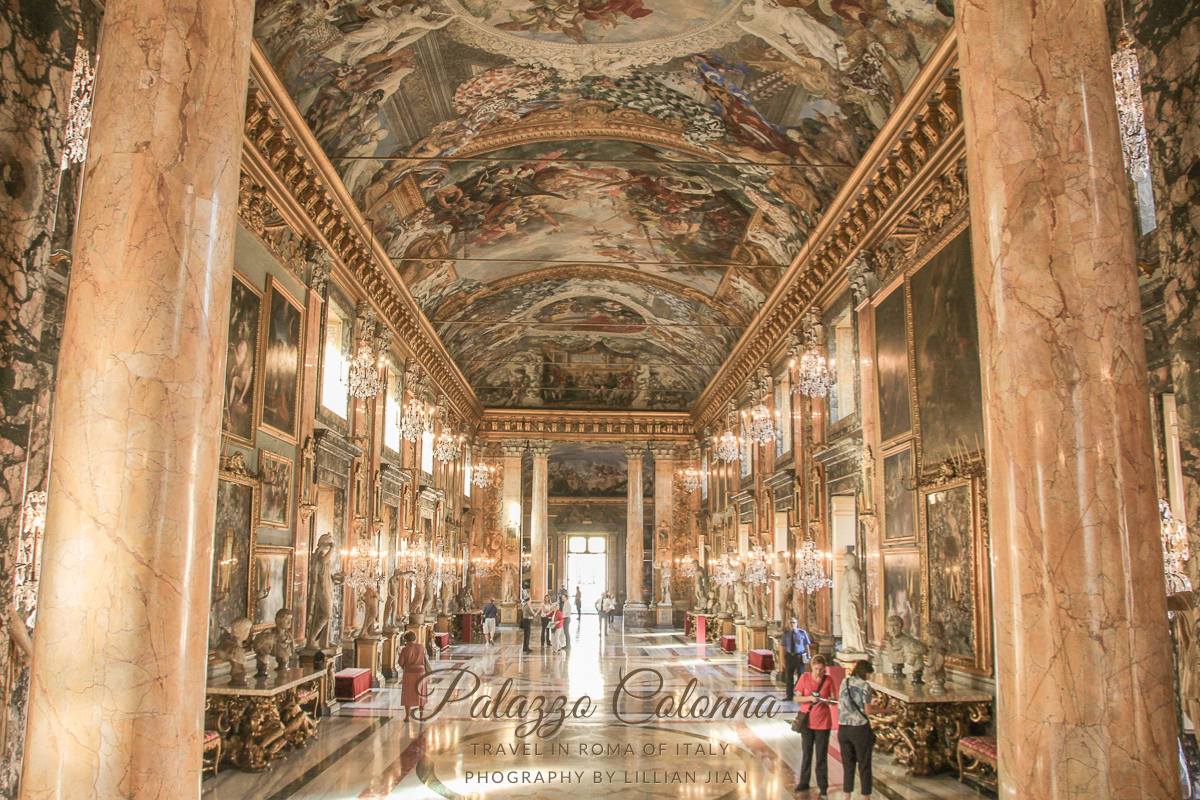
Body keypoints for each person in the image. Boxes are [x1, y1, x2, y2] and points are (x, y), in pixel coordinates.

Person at [794, 653, 837, 797]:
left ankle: (823, 785)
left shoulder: (828, 680)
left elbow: (833, 699)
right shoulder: (804, 677)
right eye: (816, 669)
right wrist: (810, 698)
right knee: (807, 753)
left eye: (821, 669)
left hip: (823, 722)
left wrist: (828, 700)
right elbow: (797, 698)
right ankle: (804, 782)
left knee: (821, 756)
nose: (818, 672)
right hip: (807, 721)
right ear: (812, 667)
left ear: (825, 668)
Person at [838, 659, 880, 798]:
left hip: (843, 728)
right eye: (869, 673)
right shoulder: (865, 686)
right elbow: (867, 710)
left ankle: (847, 796)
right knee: (864, 764)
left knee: (848, 765)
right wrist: (883, 710)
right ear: (865, 672)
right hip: (859, 730)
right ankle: (866, 797)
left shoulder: (845, 682)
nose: (869, 676)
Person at [397, 630, 431, 722]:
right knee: (421, 693)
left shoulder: (405, 649)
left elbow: (401, 662)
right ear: (415, 638)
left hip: (409, 673)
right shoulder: (421, 647)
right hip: (421, 672)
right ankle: (421, 715)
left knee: (408, 694)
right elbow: (425, 659)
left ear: (405, 639)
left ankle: (407, 716)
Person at [781, 618, 811, 701]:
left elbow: (807, 645)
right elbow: (783, 648)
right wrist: (783, 660)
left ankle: (801, 694)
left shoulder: (802, 633)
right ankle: (789, 695)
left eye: (793, 623)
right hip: (790, 656)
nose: (792, 624)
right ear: (788, 624)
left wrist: (809, 656)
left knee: (801, 676)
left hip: (799, 656)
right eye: (790, 623)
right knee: (789, 677)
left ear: (797, 624)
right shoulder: (786, 634)